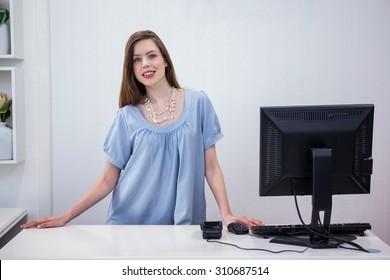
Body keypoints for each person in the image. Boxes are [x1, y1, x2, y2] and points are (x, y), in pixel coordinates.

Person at [22, 30, 263, 229]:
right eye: (137, 59)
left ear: (165, 61)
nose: (145, 63)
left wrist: (227, 214)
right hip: (130, 227)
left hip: (184, 228)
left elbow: (211, 167)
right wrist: (66, 216)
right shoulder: (127, 117)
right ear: (132, 69)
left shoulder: (199, 102)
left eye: (151, 55)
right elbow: (107, 180)